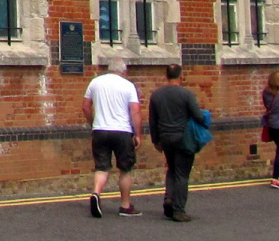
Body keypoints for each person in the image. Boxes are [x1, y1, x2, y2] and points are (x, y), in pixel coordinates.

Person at [83, 58, 144, 218]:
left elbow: (85, 106)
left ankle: (96, 193)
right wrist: (137, 134)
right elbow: (135, 111)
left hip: (100, 129)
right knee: (125, 169)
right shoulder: (128, 85)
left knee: (101, 167)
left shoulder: (95, 82)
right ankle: (125, 205)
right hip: (122, 131)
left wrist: (92, 123)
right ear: (123, 71)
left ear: (109, 69)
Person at [149, 63, 207, 222]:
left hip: (165, 138)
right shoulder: (187, 94)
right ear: (181, 76)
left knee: (172, 169)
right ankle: (179, 210)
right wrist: (205, 118)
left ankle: (168, 198)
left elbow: (152, 120)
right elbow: (198, 116)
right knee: (182, 174)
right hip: (183, 138)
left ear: (166, 76)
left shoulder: (156, 94)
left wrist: (155, 140)